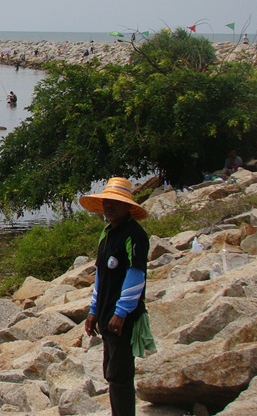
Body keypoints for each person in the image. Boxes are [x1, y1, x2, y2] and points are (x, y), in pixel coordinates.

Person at [81, 177, 151, 416]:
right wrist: (93, 311)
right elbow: (101, 274)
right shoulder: (107, 233)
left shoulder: (134, 235)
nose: (109, 207)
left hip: (122, 317)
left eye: (114, 203)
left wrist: (121, 312)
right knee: (110, 370)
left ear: (126, 206)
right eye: (106, 203)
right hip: (104, 313)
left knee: (120, 374)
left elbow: (136, 276)